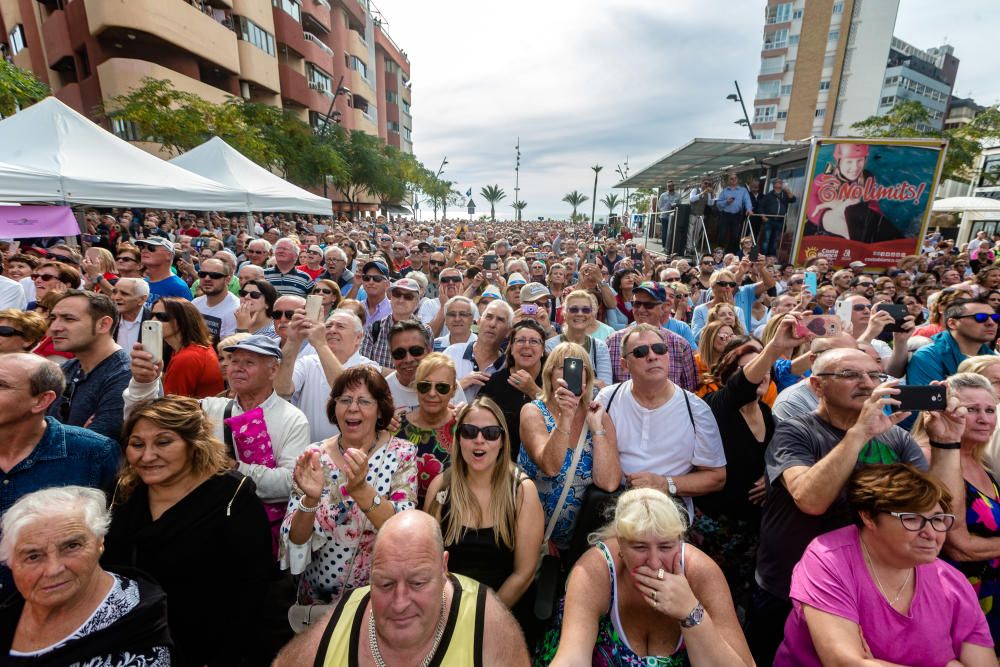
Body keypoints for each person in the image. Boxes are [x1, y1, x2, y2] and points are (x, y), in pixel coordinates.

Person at [750, 348, 936, 665]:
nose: (867, 383)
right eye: (850, 375)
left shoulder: (896, 438)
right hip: (789, 590)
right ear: (817, 386)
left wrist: (947, 442)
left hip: (871, 592)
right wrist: (859, 434)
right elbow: (810, 500)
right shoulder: (795, 431)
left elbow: (934, 508)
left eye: (874, 375)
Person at [103, 395, 274, 666]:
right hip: (130, 647)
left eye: (163, 442)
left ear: (193, 444)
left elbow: (254, 588)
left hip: (204, 651)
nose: (147, 456)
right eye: (137, 444)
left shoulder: (232, 497)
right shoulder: (122, 493)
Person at [775, 465, 995, 666]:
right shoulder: (828, 559)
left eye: (938, 520)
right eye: (912, 518)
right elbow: (843, 662)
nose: (930, 533)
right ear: (869, 517)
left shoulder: (953, 582)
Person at [272, 510, 531, 666]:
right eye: (385, 584)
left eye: (417, 583)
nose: (399, 602)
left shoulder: (485, 622)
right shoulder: (343, 619)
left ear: (444, 569)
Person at [540, 488, 754, 666]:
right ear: (620, 544)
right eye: (640, 547)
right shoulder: (597, 568)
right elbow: (571, 659)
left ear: (679, 542)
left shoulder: (702, 573)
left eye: (665, 546)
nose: (654, 562)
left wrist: (691, 613)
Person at [281, 366, 417, 607]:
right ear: (334, 407)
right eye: (345, 400)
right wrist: (310, 501)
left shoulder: (402, 454)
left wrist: (360, 490)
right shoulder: (314, 456)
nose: (353, 408)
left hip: (378, 599)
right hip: (318, 600)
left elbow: (403, 531)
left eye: (364, 401)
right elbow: (296, 541)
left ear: (380, 410)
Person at [696, 315, 805, 616]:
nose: (760, 375)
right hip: (718, 527)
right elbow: (740, 388)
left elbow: (780, 459)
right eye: (747, 370)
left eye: (764, 369)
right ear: (730, 376)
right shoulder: (718, 404)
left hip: (757, 528)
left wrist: (770, 478)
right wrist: (773, 348)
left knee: (746, 600)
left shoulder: (769, 414)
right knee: (714, 603)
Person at [0, 486, 173, 664]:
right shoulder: (10, 609)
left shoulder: (138, 631)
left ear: (100, 541)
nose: (54, 569)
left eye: (72, 546)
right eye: (33, 556)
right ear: (10, 562)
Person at [425, 397, 544, 616]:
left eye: (490, 433)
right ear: (459, 438)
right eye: (470, 432)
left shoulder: (522, 492)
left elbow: (524, 574)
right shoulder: (441, 487)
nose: (480, 440)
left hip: (503, 612)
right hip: (448, 610)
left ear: (502, 441)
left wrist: (481, 618)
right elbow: (428, 562)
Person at [599, 323, 726, 522]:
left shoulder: (696, 409)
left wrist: (665, 484)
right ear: (624, 364)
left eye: (659, 349)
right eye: (640, 352)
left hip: (670, 508)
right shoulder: (607, 399)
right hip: (615, 503)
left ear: (667, 356)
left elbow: (716, 477)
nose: (652, 356)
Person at [518, 341, 621, 553]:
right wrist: (566, 416)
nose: (569, 372)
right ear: (549, 376)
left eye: (577, 366)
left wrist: (597, 430)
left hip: (580, 541)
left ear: (587, 377)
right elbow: (551, 466)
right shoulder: (533, 411)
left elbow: (609, 483)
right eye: (561, 366)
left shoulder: (599, 416)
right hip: (532, 535)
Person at [926, 372, 1000, 651]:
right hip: (956, 598)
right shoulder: (929, 456)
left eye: (990, 410)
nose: (983, 418)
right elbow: (957, 545)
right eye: (971, 410)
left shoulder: (982, 464)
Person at [276, 308, 379, 442]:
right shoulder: (308, 362)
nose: (332, 330)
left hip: (350, 455)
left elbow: (347, 392)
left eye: (340, 326)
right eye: (328, 326)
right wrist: (293, 341)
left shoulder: (370, 367)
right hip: (308, 454)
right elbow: (281, 389)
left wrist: (320, 344)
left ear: (358, 337)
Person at [45, 291, 131, 442]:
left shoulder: (125, 375)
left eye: (69, 319)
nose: (55, 327)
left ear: (103, 325)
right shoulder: (67, 368)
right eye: (53, 318)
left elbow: (94, 447)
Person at [606, 282, 698, 390]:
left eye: (648, 305)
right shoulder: (613, 341)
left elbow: (690, 390)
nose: (640, 309)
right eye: (636, 304)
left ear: (662, 308)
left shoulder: (679, 345)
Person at [804, 143, 903, 242]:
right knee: (850, 211)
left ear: (865, 160)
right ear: (839, 161)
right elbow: (810, 206)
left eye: (859, 160)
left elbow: (873, 205)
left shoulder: (868, 177)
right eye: (849, 162)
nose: (855, 167)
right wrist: (828, 216)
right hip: (827, 227)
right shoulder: (823, 179)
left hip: (857, 227)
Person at [396, 353, 457, 504]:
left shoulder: (465, 430)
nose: (432, 393)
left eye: (442, 387)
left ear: (454, 390)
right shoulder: (395, 426)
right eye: (425, 386)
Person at [146, 296, 225, 398]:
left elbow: (170, 407)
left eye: (162, 317)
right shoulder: (191, 348)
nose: (153, 321)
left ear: (183, 321)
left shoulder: (186, 357)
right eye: (152, 315)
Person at [909, 298, 999, 386]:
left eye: (995, 318)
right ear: (952, 323)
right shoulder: (928, 356)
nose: (991, 323)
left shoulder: (993, 358)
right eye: (981, 317)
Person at [446, 299, 513, 404]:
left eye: (500, 320)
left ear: (508, 331)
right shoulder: (452, 353)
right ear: (479, 322)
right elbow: (431, 394)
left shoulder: (507, 366)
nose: (492, 324)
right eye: (489, 317)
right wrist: (460, 385)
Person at [361, 277, 431, 370]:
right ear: (391, 297)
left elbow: (428, 369)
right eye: (397, 294)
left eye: (408, 297)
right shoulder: (374, 328)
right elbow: (364, 367)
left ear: (416, 302)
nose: (401, 300)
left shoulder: (426, 331)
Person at [546, 289, 612, 387]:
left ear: (591, 314)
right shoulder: (550, 346)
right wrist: (592, 381)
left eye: (585, 310)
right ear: (564, 314)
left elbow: (605, 388)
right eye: (574, 309)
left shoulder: (600, 347)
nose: (580, 314)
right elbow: (552, 385)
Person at [192, 257, 239, 342]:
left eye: (215, 275)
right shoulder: (195, 303)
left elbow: (227, 350)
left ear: (227, 280)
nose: (207, 278)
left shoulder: (235, 310)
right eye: (202, 274)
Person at [137, 237, 190, 303]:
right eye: (142, 248)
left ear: (169, 255)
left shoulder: (178, 287)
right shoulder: (142, 283)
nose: (144, 250)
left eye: (151, 248)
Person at [693, 320, 735, 398]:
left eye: (732, 336)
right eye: (724, 336)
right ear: (710, 338)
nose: (729, 340)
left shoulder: (735, 363)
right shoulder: (694, 363)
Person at [757, 177, 797, 257]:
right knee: (766, 240)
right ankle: (763, 256)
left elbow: (793, 199)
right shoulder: (768, 195)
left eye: (781, 182)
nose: (780, 183)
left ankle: (771, 257)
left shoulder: (784, 195)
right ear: (774, 184)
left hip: (780, 220)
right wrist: (763, 216)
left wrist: (787, 190)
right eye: (778, 182)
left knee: (775, 240)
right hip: (769, 220)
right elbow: (760, 206)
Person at [715, 172, 754, 254]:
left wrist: (749, 209)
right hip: (725, 214)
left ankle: (731, 253)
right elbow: (718, 204)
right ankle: (719, 252)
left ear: (737, 180)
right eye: (731, 179)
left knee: (735, 235)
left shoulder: (743, 190)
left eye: (735, 178)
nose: (733, 180)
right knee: (722, 234)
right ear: (728, 181)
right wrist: (726, 202)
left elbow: (747, 201)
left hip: (736, 215)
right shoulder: (724, 191)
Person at [111, 277, 151, 353]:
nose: (116, 297)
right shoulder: (107, 319)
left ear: (142, 299)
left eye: (124, 294)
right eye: (114, 292)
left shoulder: (154, 321)